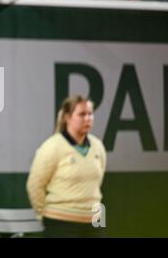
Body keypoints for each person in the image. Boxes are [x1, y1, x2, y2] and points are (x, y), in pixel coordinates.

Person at [27, 95, 107, 237]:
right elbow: (35, 185)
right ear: (67, 117)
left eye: (90, 114)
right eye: (82, 114)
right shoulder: (52, 146)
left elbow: (97, 183)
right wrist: (45, 215)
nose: (88, 118)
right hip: (61, 224)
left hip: (95, 222)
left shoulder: (98, 146)